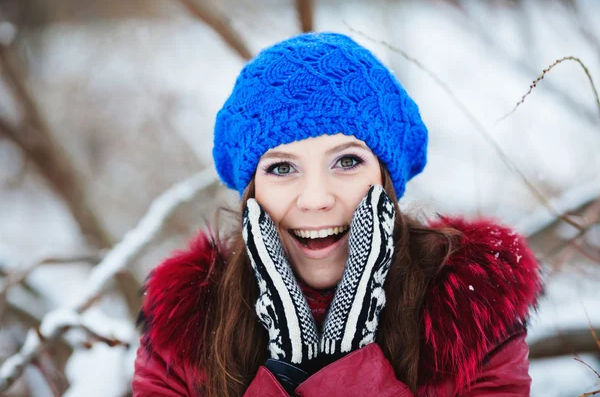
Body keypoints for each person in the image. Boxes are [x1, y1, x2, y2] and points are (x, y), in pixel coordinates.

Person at [132, 32, 542, 396]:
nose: (315, 199)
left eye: (346, 162)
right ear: (252, 191)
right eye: (281, 168)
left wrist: (343, 361)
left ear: (385, 179)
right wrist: (293, 364)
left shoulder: (471, 317)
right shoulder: (185, 332)